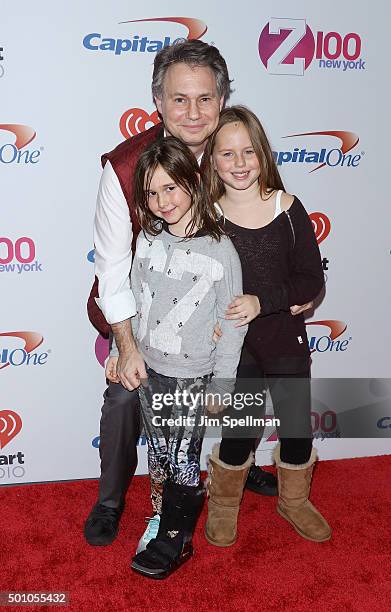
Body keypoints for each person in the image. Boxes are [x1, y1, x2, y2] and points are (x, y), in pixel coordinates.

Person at [85, 41, 280, 548]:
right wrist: (126, 347)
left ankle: (237, 463)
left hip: (215, 305)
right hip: (141, 316)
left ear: (222, 99)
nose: (193, 113)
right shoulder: (126, 167)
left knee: (259, 356)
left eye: (205, 99)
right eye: (179, 99)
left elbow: (263, 233)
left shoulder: (234, 154)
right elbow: (112, 269)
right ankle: (110, 500)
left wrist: (277, 296)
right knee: (127, 395)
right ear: (158, 102)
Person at [114, 136, 247, 578]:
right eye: (151, 193)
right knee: (160, 454)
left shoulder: (220, 250)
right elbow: (132, 297)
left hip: (192, 375)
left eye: (170, 188)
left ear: (193, 182)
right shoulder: (149, 239)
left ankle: (176, 539)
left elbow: (232, 323)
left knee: (185, 457)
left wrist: (224, 385)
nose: (161, 201)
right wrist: (122, 347)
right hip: (149, 369)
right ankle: (165, 520)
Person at [202, 105, 331, 546]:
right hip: (236, 351)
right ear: (213, 161)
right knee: (239, 432)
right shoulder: (208, 218)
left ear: (263, 154)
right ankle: (222, 504)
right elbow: (201, 288)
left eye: (248, 152)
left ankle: (294, 501)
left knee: (297, 428)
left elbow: (311, 280)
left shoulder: (288, 208)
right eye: (227, 154)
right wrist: (212, 326)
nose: (239, 164)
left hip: (285, 340)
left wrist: (266, 301)